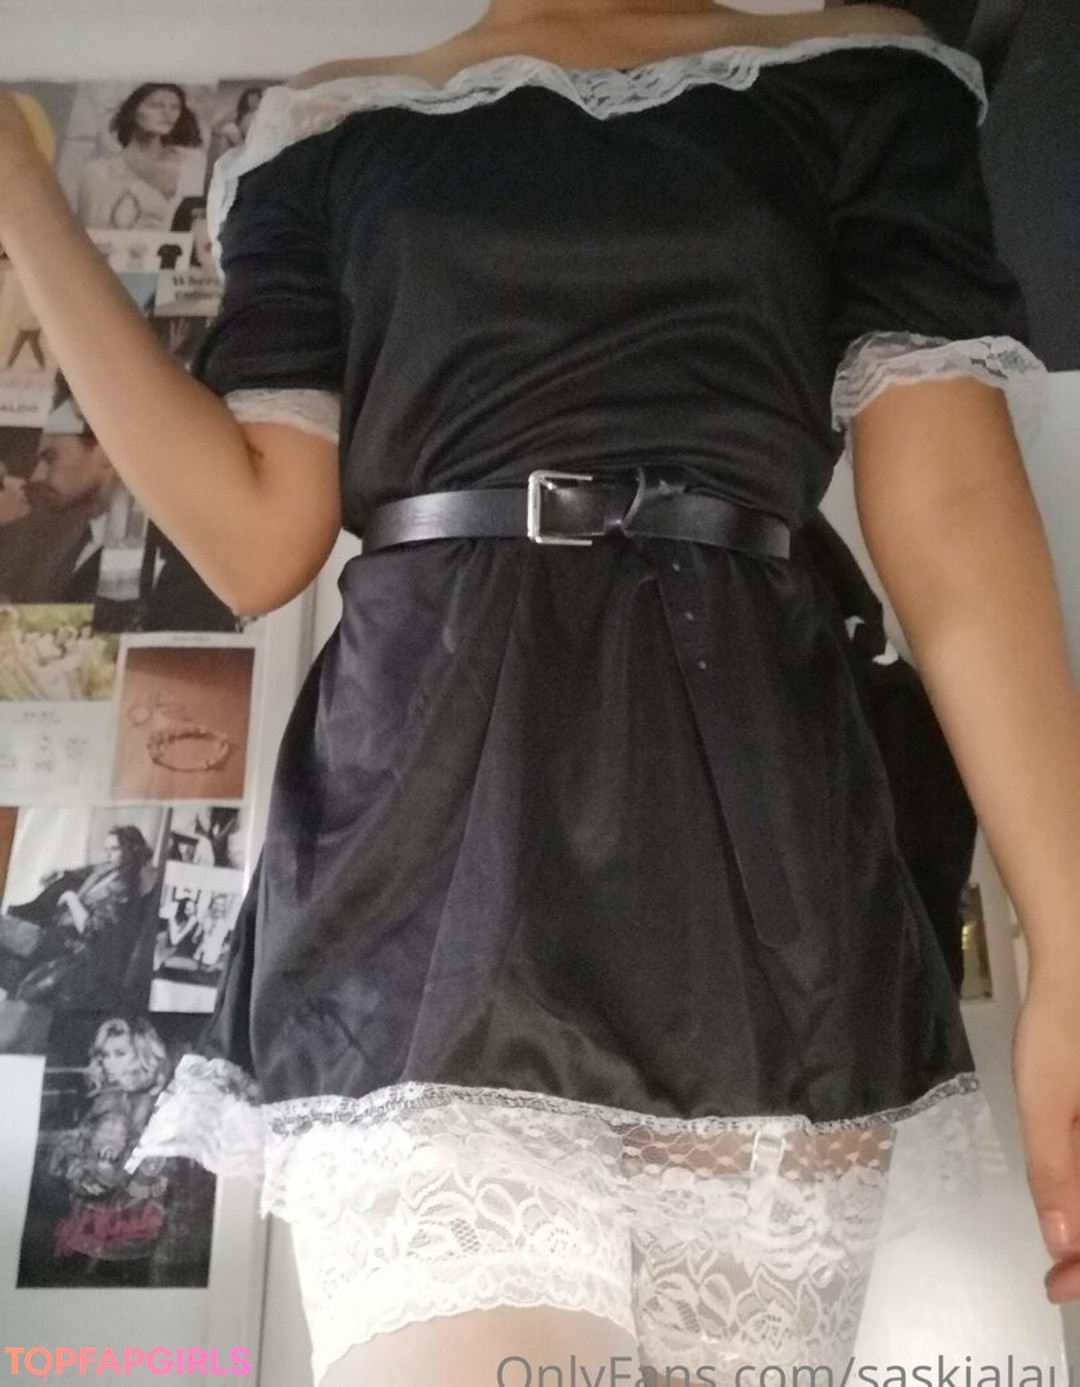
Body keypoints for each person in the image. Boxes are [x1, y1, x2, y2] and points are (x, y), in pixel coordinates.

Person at [1, 1, 1078, 1379]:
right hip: (419, 852)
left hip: (757, 865)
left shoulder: (851, 79)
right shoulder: (329, 127)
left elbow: (954, 522)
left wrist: (1070, 945)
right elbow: (257, 537)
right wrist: (21, 191)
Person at [0, 825, 157, 1008]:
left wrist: (71, 898)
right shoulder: (108, 869)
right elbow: (87, 870)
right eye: (106, 849)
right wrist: (60, 872)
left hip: (68, 947)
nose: (107, 855)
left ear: (129, 852)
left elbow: (91, 931)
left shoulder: (125, 892)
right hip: (53, 932)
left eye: (114, 849)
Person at [74, 83, 205, 232]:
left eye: (175, 108)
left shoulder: (193, 164)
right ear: (133, 110)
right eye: (156, 105)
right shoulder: (96, 172)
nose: (167, 114)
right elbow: (88, 229)